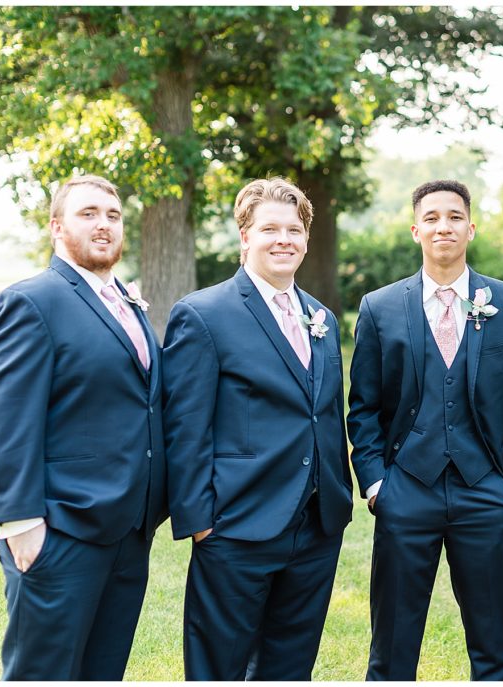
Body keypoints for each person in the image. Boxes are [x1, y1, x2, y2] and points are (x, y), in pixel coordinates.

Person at [0, 174, 167, 680]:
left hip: (128, 532)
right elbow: (4, 420)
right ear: (57, 227)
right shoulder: (31, 302)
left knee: (102, 672)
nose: (104, 224)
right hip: (61, 531)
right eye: (88, 214)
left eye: (113, 215)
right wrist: (19, 524)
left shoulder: (125, 302)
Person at [347, 179, 503, 680]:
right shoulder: (379, 307)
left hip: (487, 492)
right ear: (416, 230)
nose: (443, 227)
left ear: (471, 228)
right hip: (405, 490)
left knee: (493, 643)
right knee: (391, 645)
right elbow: (363, 408)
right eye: (431, 218)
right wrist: (376, 484)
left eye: (455, 217)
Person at [162, 177, 353, 680]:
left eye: (294, 230)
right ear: (245, 236)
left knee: (290, 667)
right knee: (219, 668)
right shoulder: (203, 314)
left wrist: (337, 497)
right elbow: (185, 428)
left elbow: (323, 414)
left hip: (316, 526)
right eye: (270, 229)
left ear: (306, 238)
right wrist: (200, 522)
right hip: (236, 524)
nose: (283, 239)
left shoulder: (322, 318)